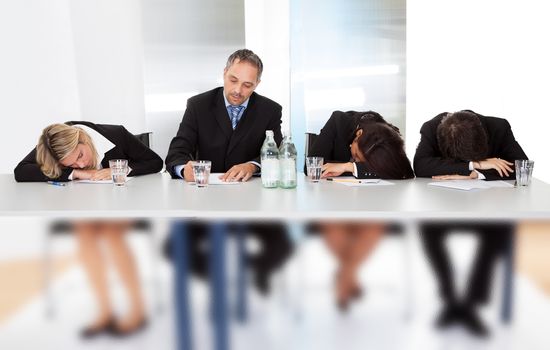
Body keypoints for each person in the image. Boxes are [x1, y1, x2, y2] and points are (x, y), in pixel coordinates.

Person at [14, 121, 163, 337]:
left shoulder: (116, 134)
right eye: (72, 164)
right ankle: (104, 311)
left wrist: (120, 169)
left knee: (111, 234)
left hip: (121, 203)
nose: (82, 164)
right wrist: (75, 175)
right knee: (85, 234)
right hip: (84, 206)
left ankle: (137, 310)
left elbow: (154, 162)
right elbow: (21, 171)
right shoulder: (54, 143)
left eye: (81, 155)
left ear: (83, 138)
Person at [165, 49, 293, 294]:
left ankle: (250, 284)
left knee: (281, 247)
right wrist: (184, 170)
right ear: (224, 73)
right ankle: (216, 288)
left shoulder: (269, 110)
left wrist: (252, 165)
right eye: (233, 80)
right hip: (205, 202)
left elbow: (275, 154)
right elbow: (177, 152)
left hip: (252, 203)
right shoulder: (198, 105)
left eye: (247, 85)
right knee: (175, 248)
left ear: (257, 84)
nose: (238, 91)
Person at [413, 110, 528, 337]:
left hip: (486, 206)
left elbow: (522, 166)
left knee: (499, 230)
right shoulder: (431, 128)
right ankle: (449, 298)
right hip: (444, 206)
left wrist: (478, 176)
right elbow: (421, 166)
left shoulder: (499, 127)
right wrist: (475, 165)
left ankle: (470, 304)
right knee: (427, 228)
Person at [308, 110, 414, 311]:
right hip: (334, 200)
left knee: (373, 224)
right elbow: (312, 166)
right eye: (356, 156)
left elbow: (404, 172)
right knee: (334, 223)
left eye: (361, 161)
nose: (355, 160)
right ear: (357, 135)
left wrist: (350, 168)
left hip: (371, 202)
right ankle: (349, 275)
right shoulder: (338, 121)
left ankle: (345, 275)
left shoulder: (387, 134)